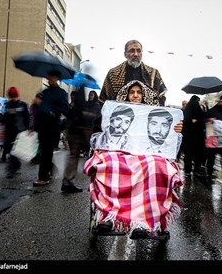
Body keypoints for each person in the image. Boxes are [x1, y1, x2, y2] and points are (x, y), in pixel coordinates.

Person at [85, 79, 183, 239]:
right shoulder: (116, 111)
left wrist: (176, 129)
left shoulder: (154, 114)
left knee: (156, 165)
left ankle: (144, 223)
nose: (136, 95)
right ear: (126, 94)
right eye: (132, 92)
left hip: (146, 157)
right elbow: (100, 135)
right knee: (110, 162)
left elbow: (170, 139)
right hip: (120, 154)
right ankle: (109, 217)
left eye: (139, 92)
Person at [99, 39, 167, 106]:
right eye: (132, 51)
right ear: (125, 54)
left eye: (139, 51)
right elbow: (103, 100)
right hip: (120, 115)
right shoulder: (113, 74)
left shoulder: (153, 73)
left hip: (146, 115)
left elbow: (161, 97)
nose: (136, 54)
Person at [32, 70, 69, 187]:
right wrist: (37, 104)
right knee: (44, 151)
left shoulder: (61, 93)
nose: (50, 79)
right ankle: (50, 169)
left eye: (52, 77)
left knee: (46, 151)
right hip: (42, 125)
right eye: (49, 76)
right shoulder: (45, 92)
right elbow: (41, 108)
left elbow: (65, 109)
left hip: (52, 126)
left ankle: (43, 177)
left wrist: (53, 112)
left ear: (57, 78)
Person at [60, 88, 101, 193]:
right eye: (89, 94)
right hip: (83, 131)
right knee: (78, 155)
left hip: (84, 131)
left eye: (92, 95)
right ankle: (68, 181)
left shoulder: (93, 104)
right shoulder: (82, 102)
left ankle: (68, 180)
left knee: (90, 155)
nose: (90, 96)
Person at [1, 87, 32, 179]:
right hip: (9, 131)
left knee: (14, 151)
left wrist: (28, 129)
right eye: (11, 97)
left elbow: (28, 117)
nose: (13, 99)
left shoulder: (23, 105)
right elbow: (6, 118)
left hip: (20, 131)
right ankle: (15, 165)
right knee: (12, 150)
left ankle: (11, 168)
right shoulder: (7, 105)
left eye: (14, 96)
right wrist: (2, 127)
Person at [204, 95, 222, 183]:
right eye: (220, 101)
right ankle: (209, 174)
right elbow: (203, 121)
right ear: (218, 101)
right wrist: (209, 120)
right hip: (211, 140)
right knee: (210, 158)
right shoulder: (211, 111)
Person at [182, 95, 206, 178]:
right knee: (188, 155)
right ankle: (188, 171)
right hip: (189, 137)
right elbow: (183, 123)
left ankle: (197, 170)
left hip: (198, 138)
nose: (197, 103)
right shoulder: (187, 111)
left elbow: (203, 120)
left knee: (198, 155)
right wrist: (190, 121)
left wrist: (198, 120)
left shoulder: (199, 110)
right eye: (196, 101)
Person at [29, 92, 42, 165]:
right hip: (33, 127)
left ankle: (37, 157)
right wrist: (30, 128)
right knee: (33, 144)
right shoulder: (32, 107)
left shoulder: (42, 107)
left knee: (39, 144)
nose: (39, 100)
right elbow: (30, 118)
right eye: (38, 99)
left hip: (40, 128)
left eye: (40, 99)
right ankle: (34, 157)